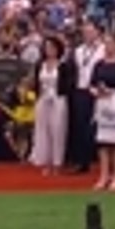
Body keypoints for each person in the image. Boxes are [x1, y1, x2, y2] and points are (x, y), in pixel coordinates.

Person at [90, 34, 115, 190]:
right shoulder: (99, 64)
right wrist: (97, 92)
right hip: (102, 104)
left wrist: (111, 91)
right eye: (105, 44)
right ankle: (103, 175)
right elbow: (91, 84)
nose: (107, 47)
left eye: (110, 43)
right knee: (103, 142)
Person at [30, 36, 73, 175]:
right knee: (43, 131)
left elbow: (68, 85)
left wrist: (56, 94)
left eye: (52, 47)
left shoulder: (63, 65)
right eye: (47, 47)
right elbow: (36, 83)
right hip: (43, 100)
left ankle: (57, 162)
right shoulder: (40, 65)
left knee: (57, 131)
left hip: (58, 100)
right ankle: (45, 161)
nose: (49, 50)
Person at [67, 21, 104, 174]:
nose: (87, 35)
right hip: (81, 90)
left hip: (96, 91)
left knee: (97, 126)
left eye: (90, 32)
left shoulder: (102, 49)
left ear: (97, 32)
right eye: (85, 32)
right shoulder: (78, 51)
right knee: (81, 126)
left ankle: (103, 160)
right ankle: (83, 161)